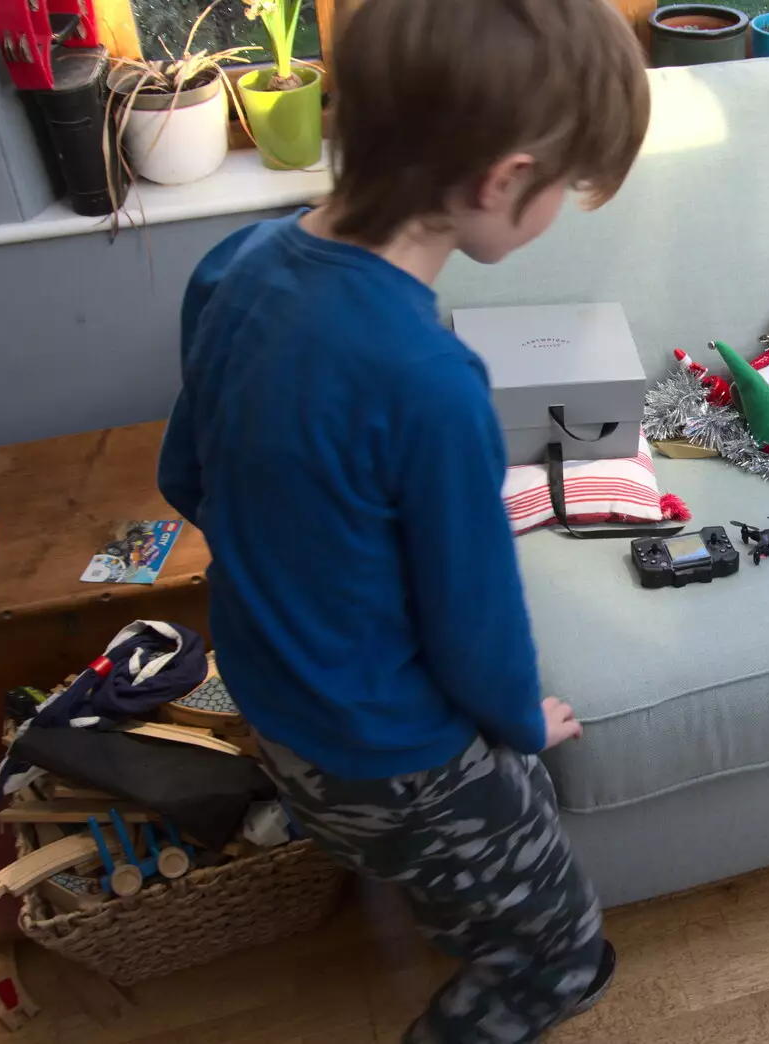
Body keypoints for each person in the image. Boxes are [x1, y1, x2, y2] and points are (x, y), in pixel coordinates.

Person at [155, 1, 650, 1040]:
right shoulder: (430, 383)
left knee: (446, 868)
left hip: (273, 699)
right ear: (502, 181)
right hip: (393, 754)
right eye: (564, 188)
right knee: (561, 956)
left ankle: (450, 892)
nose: (561, 207)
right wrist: (520, 724)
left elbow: (185, 475)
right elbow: (473, 623)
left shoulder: (235, 266)